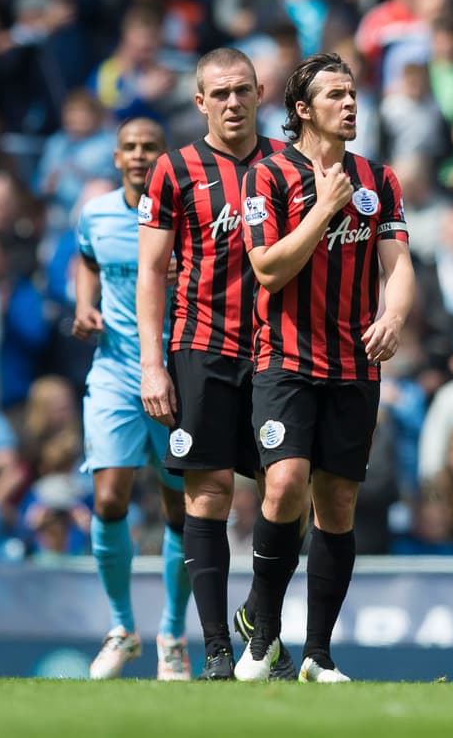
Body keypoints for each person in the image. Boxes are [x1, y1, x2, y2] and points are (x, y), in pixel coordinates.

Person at [236, 52, 414, 682]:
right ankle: (262, 621)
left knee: (337, 506)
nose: (350, 104)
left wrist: (393, 316)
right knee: (284, 484)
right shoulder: (267, 176)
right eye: (336, 95)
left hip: (354, 365)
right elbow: (268, 269)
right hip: (283, 358)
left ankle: (317, 655)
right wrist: (323, 207)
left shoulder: (379, 179)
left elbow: (398, 266)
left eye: (353, 93)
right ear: (303, 111)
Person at [137, 48, 284, 680]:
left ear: (261, 93)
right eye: (219, 93)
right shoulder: (174, 170)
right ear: (200, 102)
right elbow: (150, 271)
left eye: (242, 90)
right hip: (202, 348)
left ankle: (264, 627)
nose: (232, 102)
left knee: (288, 489)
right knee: (209, 492)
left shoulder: (289, 163)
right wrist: (152, 363)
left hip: (283, 350)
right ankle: (218, 649)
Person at [73, 117, 192, 681]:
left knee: (182, 508)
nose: (141, 156)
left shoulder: (187, 214)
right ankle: (123, 628)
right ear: (116, 157)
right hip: (117, 374)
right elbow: (87, 260)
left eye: (151, 147)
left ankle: (172, 633)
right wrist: (83, 304)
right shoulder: (95, 214)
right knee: (110, 499)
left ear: (166, 157)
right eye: (131, 148)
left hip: (181, 376)